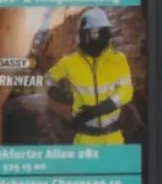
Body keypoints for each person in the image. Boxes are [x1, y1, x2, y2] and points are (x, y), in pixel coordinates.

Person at [46, 8, 134, 146]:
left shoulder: (118, 59)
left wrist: (102, 108)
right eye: (94, 32)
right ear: (85, 34)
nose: (98, 37)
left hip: (113, 139)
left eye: (101, 32)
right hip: (84, 139)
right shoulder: (69, 62)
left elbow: (126, 91)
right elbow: (47, 79)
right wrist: (57, 94)